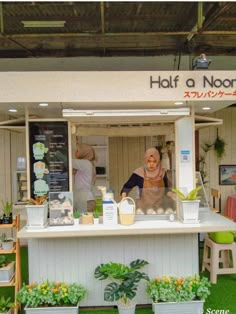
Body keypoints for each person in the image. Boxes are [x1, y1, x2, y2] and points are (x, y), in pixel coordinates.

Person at [120, 147, 172, 214]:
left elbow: (166, 190)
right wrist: (123, 200)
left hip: (159, 208)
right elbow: (126, 187)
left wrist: (173, 195)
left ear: (158, 161)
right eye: (149, 161)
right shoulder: (139, 173)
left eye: (154, 161)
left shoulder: (162, 173)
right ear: (145, 160)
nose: (151, 164)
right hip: (142, 209)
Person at [72, 143, 96, 213]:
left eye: (77, 151)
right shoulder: (87, 163)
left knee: (84, 222)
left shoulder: (85, 163)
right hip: (84, 199)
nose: (75, 152)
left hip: (86, 200)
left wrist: (56, 152)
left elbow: (68, 161)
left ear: (84, 153)